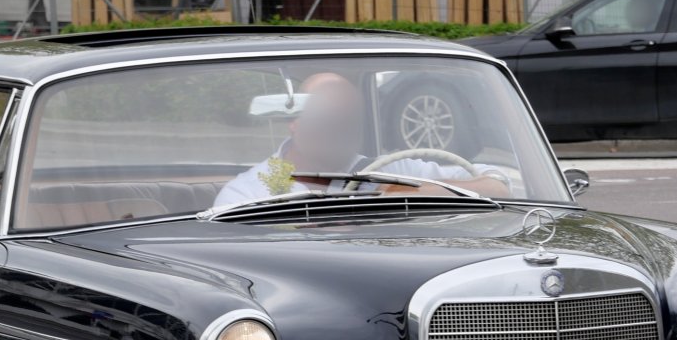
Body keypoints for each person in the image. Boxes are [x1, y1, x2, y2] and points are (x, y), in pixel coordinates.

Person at [215, 72, 509, 207]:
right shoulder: (250, 193)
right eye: (328, 119)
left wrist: (415, 191)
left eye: (350, 122)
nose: (339, 130)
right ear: (295, 121)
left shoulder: (387, 171)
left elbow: (498, 185)